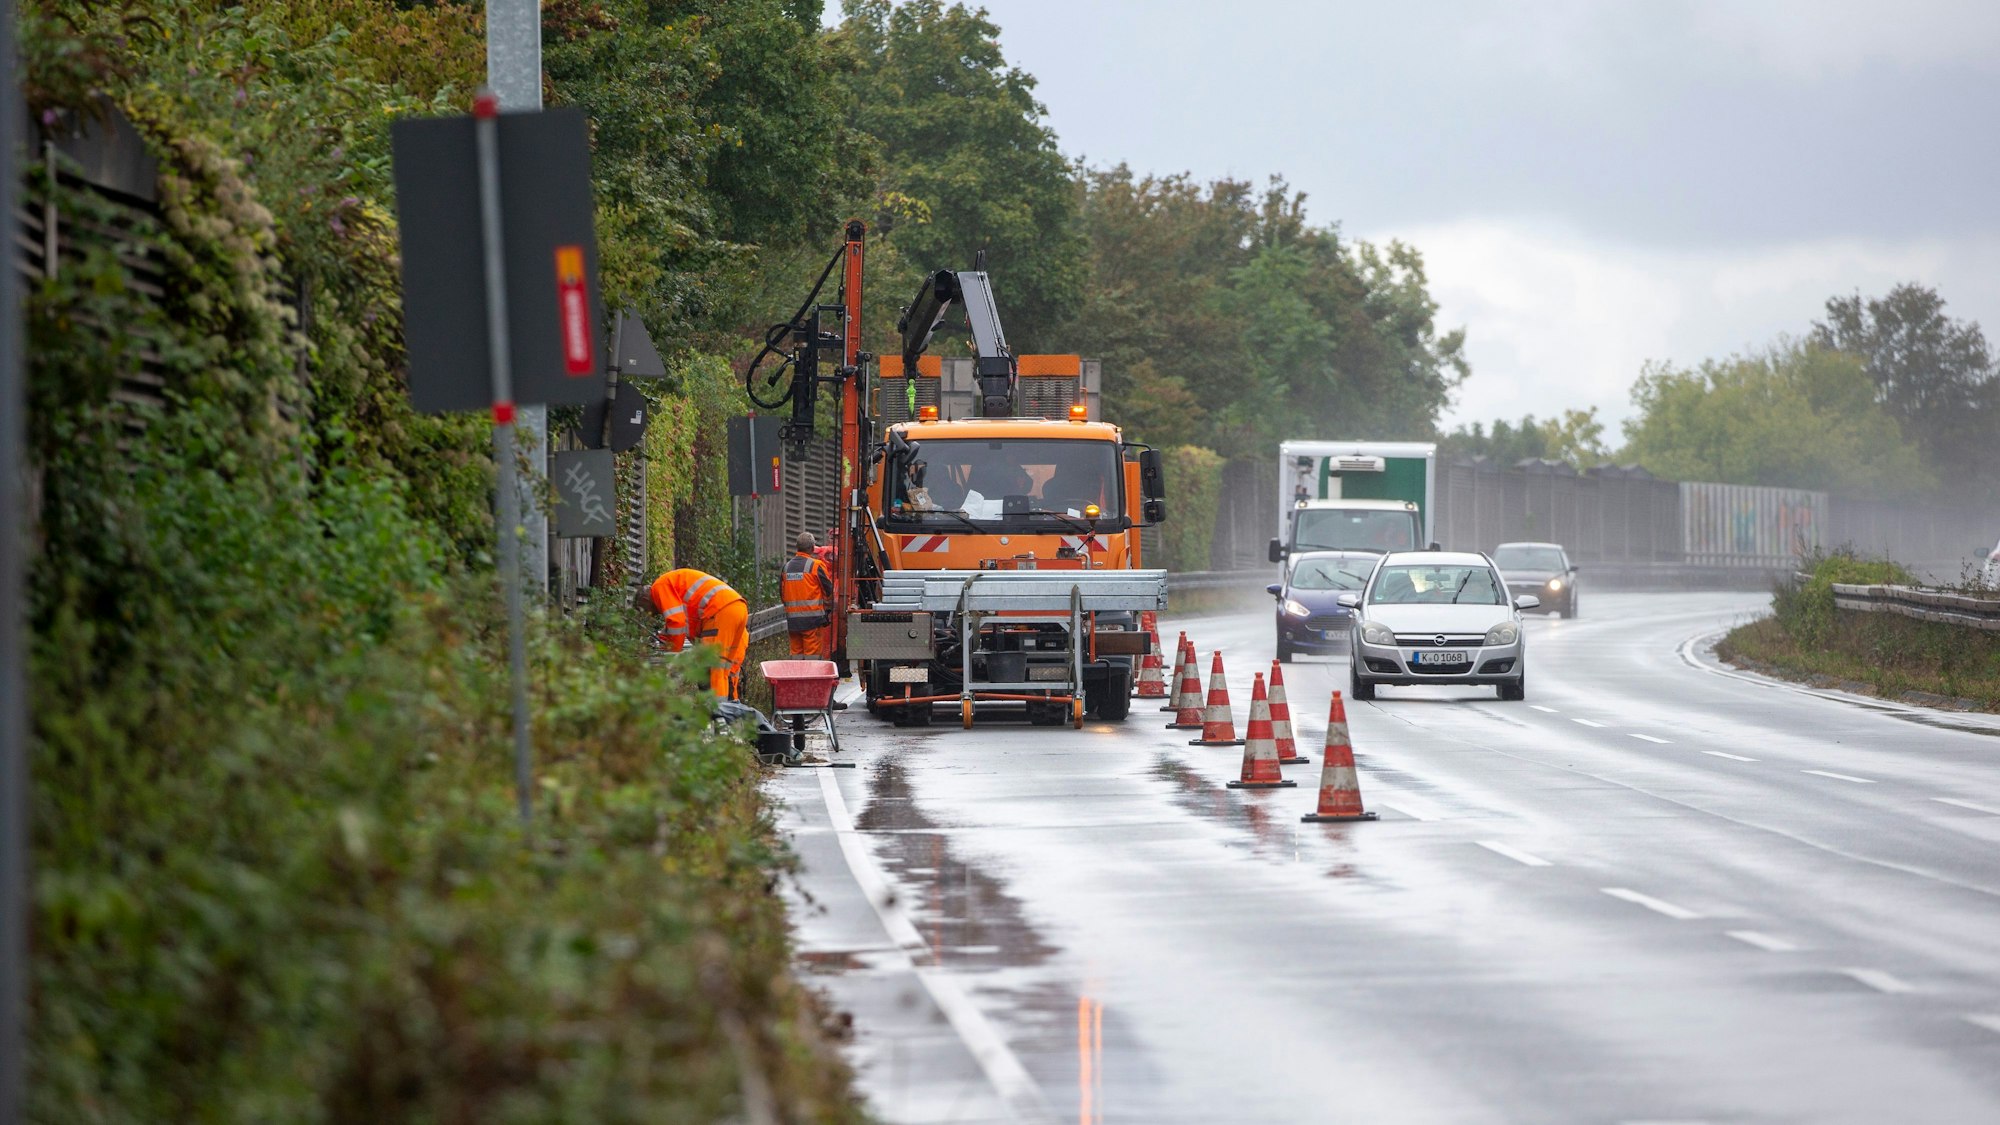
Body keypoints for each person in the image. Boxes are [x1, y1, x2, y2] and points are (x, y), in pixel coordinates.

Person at [636, 567, 748, 699]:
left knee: (711, 669)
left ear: (645, 600)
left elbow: (676, 623)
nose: (651, 614)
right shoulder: (675, 589)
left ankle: (717, 715)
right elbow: (682, 623)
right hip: (737, 608)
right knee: (725, 671)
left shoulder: (659, 587)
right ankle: (733, 712)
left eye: (645, 610)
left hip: (718, 611)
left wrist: (673, 654)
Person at [782, 532, 836, 658]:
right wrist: (828, 609)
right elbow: (828, 590)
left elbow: (783, 594)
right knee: (812, 658)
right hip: (812, 621)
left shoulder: (786, 567)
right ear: (812, 548)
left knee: (797, 656)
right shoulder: (815, 566)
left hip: (793, 622)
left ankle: (796, 677)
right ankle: (810, 678)